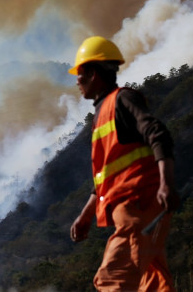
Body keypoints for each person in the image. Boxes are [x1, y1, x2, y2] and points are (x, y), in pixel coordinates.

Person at [68, 36, 179, 292]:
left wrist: (166, 183)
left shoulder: (122, 99)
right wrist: (85, 216)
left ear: (93, 74)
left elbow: (158, 134)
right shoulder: (102, 113)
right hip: (138, 209)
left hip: (138, 206)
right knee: (153, 284)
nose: (77, 80)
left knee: (112, 281)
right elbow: (105, 178)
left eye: (80, 73)